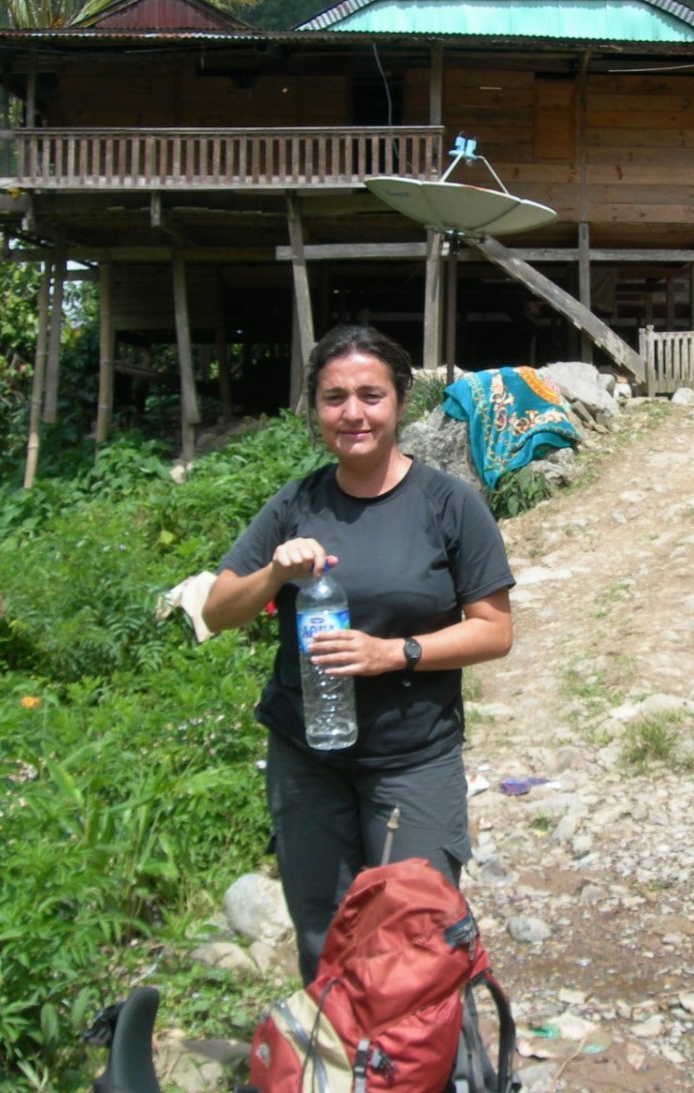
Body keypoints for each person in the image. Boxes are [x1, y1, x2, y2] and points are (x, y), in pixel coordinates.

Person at [202, 324, 515, 984]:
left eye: (370, 395)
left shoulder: (448, 503)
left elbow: (493, 630)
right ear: (315, 408)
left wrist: (391, 652)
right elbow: (218, 609)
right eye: (333, 397)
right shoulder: (296, 503)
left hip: (411, 758)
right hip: (307, 759)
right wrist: (273, 577)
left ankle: (428, 1075)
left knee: (417, 939)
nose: (353, 413)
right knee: (324, 937)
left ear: (399, 401)